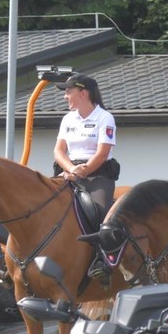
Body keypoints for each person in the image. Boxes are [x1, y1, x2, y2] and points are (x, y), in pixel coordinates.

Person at [53, 73, 118, 280]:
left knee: (101, 211)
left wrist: (82, 171)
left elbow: (102, 153)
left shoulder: (104, 117)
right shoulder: (67, 119)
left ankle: (103, 259)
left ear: (83, 93)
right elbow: (59, 151)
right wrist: (71, 169)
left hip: (97, 174)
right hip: (68, 172)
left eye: (68, 91)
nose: (65, 96)